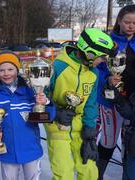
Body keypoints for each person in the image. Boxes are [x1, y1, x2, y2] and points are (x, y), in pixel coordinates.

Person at [43, 28, 116, 180]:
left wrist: (90, 132)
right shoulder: (58, 67)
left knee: (89, 169)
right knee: (64, 172)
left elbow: (90, 103)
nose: (102, 61)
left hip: (81, 127)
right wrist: (55, 111)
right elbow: (40, 96)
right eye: (101, 57)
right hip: (58, 127)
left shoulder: (93, 73)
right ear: (90, 53)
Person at [0, 51, 56, 180]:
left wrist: (46, 103)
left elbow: (49, 115)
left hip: (30, 148)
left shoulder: (31, 91)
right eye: (1, 70)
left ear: (17, 69)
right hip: (7, 150)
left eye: (10, 69)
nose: (6, 73)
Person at [96, 4, 135, 179]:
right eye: (127, 21)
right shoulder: (107, 42)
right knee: (109, 140)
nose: (131, 26)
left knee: (130, 141)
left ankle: (127, 174)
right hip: (110, 99)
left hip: (132, 102)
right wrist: (107, 79)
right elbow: (96, 68)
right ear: (119, 21)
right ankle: (97, 174)